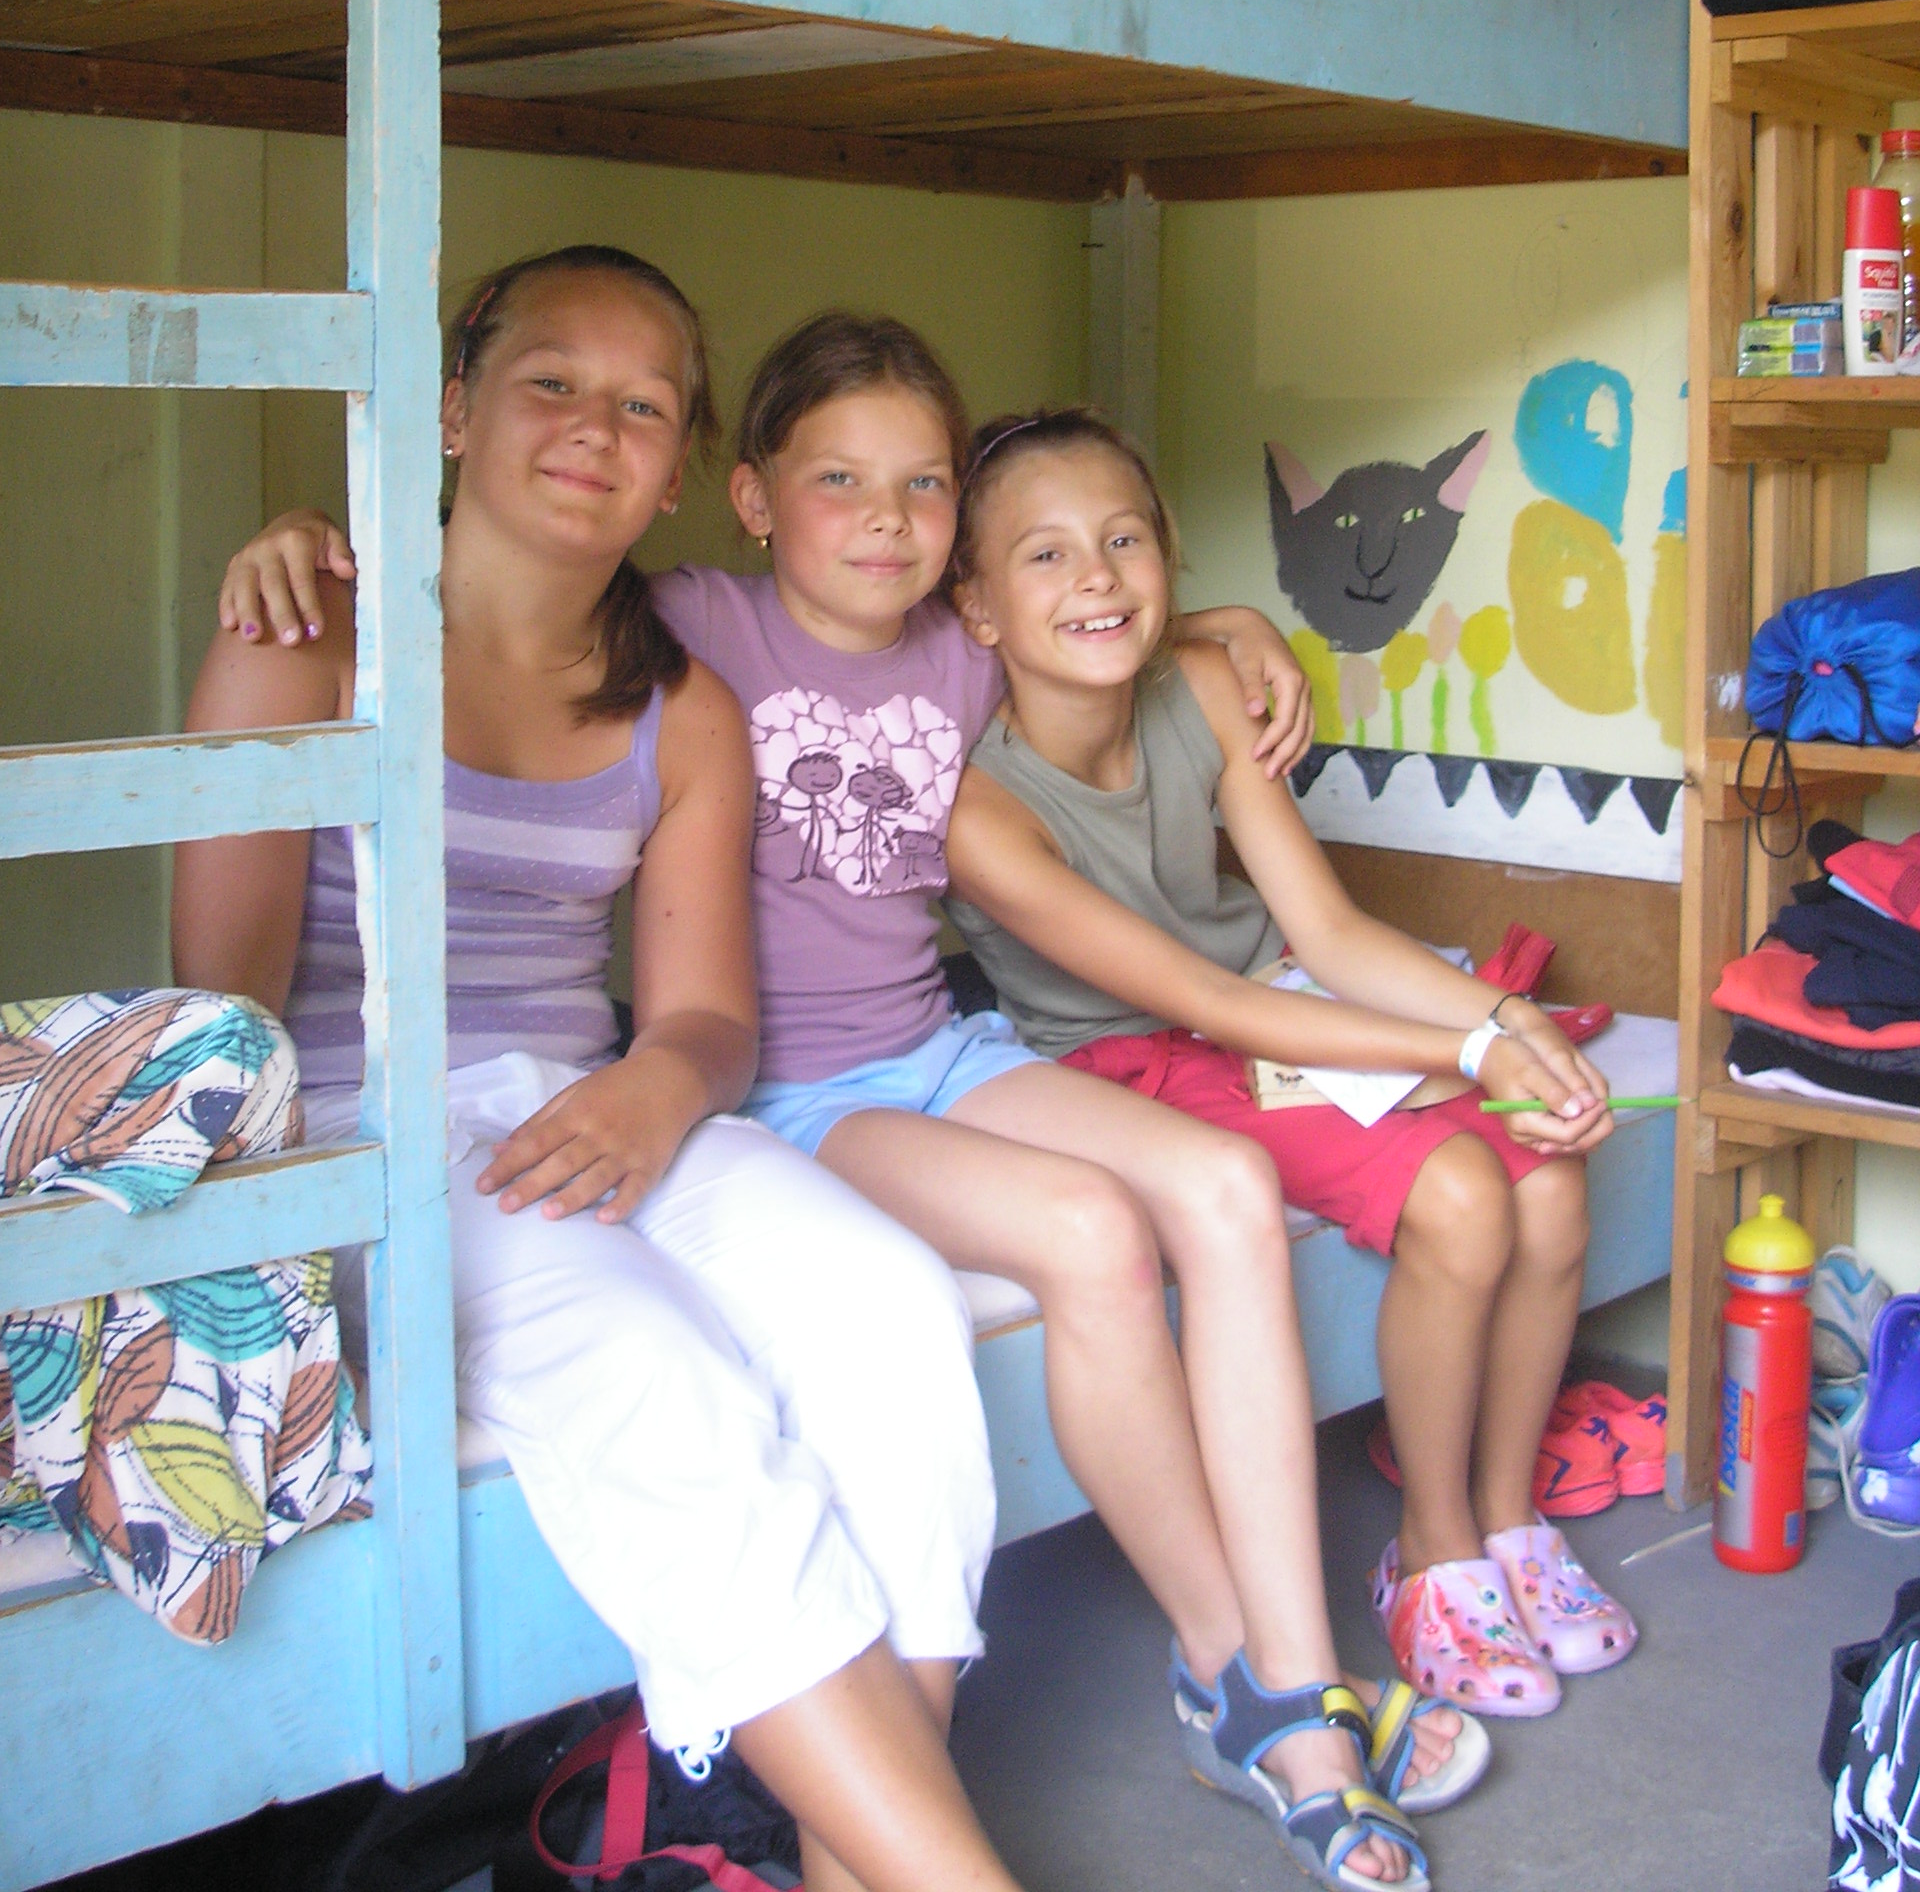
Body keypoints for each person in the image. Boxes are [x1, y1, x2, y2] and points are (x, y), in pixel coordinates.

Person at [221, 311, 1478, 1892]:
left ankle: (1285, 1679)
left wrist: (1232, 622)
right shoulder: (693, 626)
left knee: (1218, 1189)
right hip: (791, 1093)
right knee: (1083, 1235)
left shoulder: (958, 644)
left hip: (934, 1047)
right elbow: (514, 571)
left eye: (924, 485)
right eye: (838, 481)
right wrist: (307, 539)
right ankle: (1198, 1687)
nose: (886, 519)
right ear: (748, 497)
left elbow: (1087, 604)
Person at [173, 245, 1029, 1892]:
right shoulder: (308, 639)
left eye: (643, 406)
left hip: (607, 1103)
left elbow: (704, 1021)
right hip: (354, 1126)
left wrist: (654, 1088)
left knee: (887, 1304)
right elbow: (228, 1022)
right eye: (550, 382)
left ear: (681, 466)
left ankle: (850, 1859)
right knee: (651, 1366)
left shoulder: (681, 702)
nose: (594, 427)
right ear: (451, 410)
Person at [936, 407, 1638, 1726]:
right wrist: (1470, 1046)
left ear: (1168, 554)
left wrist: (1509, 1023)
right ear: (973, 604)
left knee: (1548, 1178)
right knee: (1463, 1190)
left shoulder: (1203, 688)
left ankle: (1505, 1520)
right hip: (1134, 1058)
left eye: (1125, 539)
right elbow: (1207, 1007)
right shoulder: (980, 807)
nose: (1096, 576)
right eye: (1044, 555)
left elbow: (1324, 931)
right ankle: (1429, 1551)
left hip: (1270, 997)